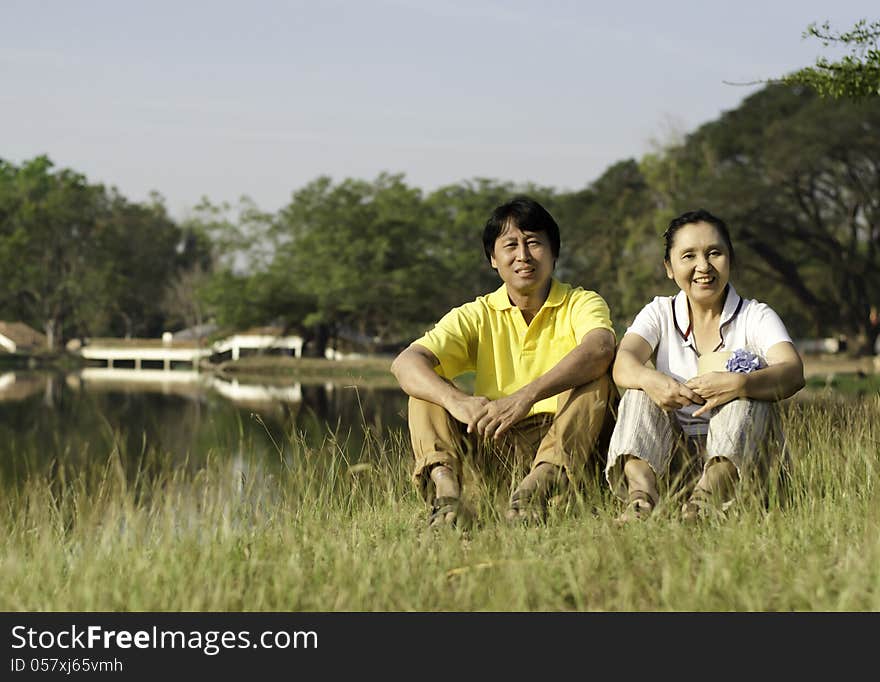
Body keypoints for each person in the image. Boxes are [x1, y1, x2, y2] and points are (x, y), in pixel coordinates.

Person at [391, 196, 617, 528]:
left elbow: (601, 347)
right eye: (510, 245)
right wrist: (458, 402)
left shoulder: (580, 302)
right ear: (493, 260)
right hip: (496, 439)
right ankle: (448, 499)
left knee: (596, 378)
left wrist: (525, 397)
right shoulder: (477, 314)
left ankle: (537, 488)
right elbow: (405, 363)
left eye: (534, 243)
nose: (523, 255)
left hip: (567, 443)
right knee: (425, 387)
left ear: (554, 254)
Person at [606, 209, 805, 522]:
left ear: (730, 259)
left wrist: (741, 384)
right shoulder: (659, 311)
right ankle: (641, 501)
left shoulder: (756, 315)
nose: (703, 266)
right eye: (689, 256)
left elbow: (793, 371)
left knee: (749, 394)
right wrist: (650, 379)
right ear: (669, 268)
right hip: (675, 464)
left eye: (715, 253)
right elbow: (623, 362)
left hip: (745, 470)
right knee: (638, 391)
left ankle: (705, 502)